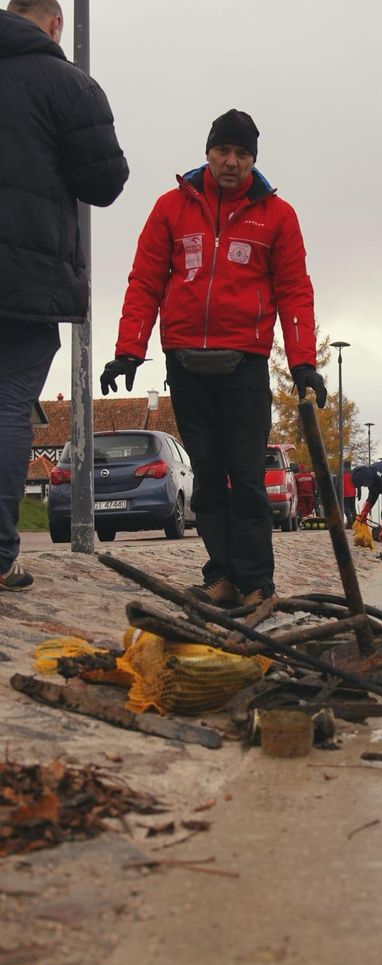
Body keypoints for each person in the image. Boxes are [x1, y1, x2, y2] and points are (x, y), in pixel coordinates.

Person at [100, 109, 326, 609]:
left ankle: (257, 584)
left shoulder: (278, 216)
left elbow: (294, 292)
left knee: (246, 477)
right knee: (206, 478)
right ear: (207, 152)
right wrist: (129, 350)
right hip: (186, 365)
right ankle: (220, 575)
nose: (231, 162)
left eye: (242, 154)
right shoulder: (170, 209)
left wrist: (304, 362)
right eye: (223, 151)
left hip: (244, 366)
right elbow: (145, 281)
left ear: (253, 160)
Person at [0, 0, 128, 593]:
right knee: (6, 408)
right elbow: (104, 182)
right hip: (27, 276)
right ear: (54, 23)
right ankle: (0, 556)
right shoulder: (69, 85)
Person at [342, 460, 357, 528]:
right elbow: (357, 482)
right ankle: (354, 521)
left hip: (345, 493)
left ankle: (350, 521)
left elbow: (337, 483)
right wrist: (359, 492)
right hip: (353, 493)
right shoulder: (353, 472)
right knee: (353, 508)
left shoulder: (341, 473)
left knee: (346, 508)